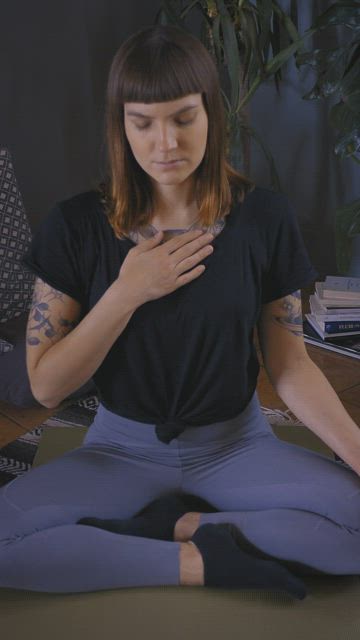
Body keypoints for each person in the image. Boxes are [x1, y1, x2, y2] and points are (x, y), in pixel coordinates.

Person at [1, 24, 359, 598]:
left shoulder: (265, 217)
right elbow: (45, 389)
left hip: (237, 446)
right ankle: (205, 563)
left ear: (210, 115)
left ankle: (174, 527)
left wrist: (358, 451)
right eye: (143, 123)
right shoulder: (75, 225)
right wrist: (127, 292)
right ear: (121, 125)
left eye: (182, 118)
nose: (164, 143)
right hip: (120, 450)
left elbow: (289, 367)